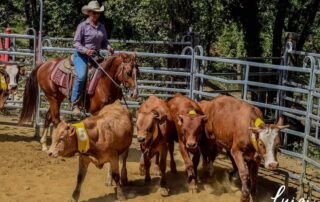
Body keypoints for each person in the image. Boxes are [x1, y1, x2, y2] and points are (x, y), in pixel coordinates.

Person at [72, 0, 113, 116]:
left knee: (106, 73)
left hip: (97, 55)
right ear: (89, 13)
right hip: (81, 55)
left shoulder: (101, 26)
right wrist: (86, 50)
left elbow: (104, 41)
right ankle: (74, 103)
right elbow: (75, 43)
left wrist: (109, 47)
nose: (96, 15)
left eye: (98, 13)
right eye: (94, 13)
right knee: (81, 76)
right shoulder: (82, 26)